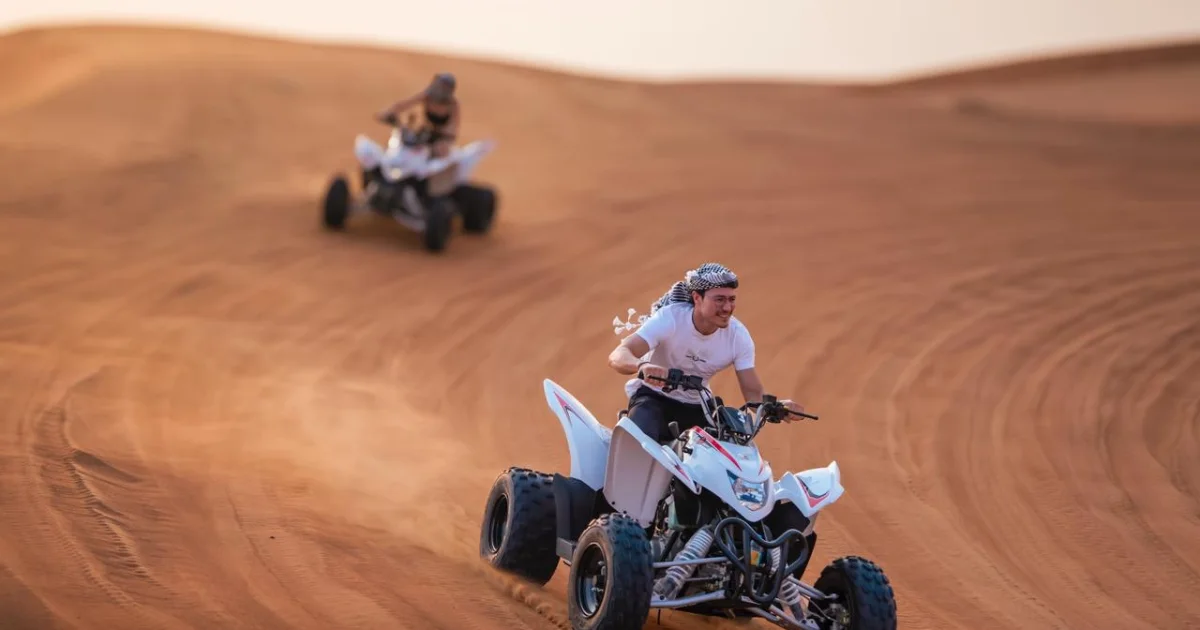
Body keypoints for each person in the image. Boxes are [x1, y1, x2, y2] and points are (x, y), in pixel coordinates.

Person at [607, 262, 806, 444]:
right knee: (636, 444)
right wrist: (642, 366)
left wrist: (778, 408)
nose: (727, 308)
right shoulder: (670, 319)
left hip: (699, 408)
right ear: (697, 298)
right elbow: (619, 354)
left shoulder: (738, 337)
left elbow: (753, 395)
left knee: (730, 453)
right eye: (719, 299)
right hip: (653, 399)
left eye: (731, 299)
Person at [376, 72, 460, 159]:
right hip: (426, 131)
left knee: (440, 152)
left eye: (442, 86)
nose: (438, 88)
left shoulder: (453, 105)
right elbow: (404, 104)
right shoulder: (427, 96)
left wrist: (445, 134)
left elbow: (454, 125)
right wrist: (388, 112)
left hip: (442, 137)